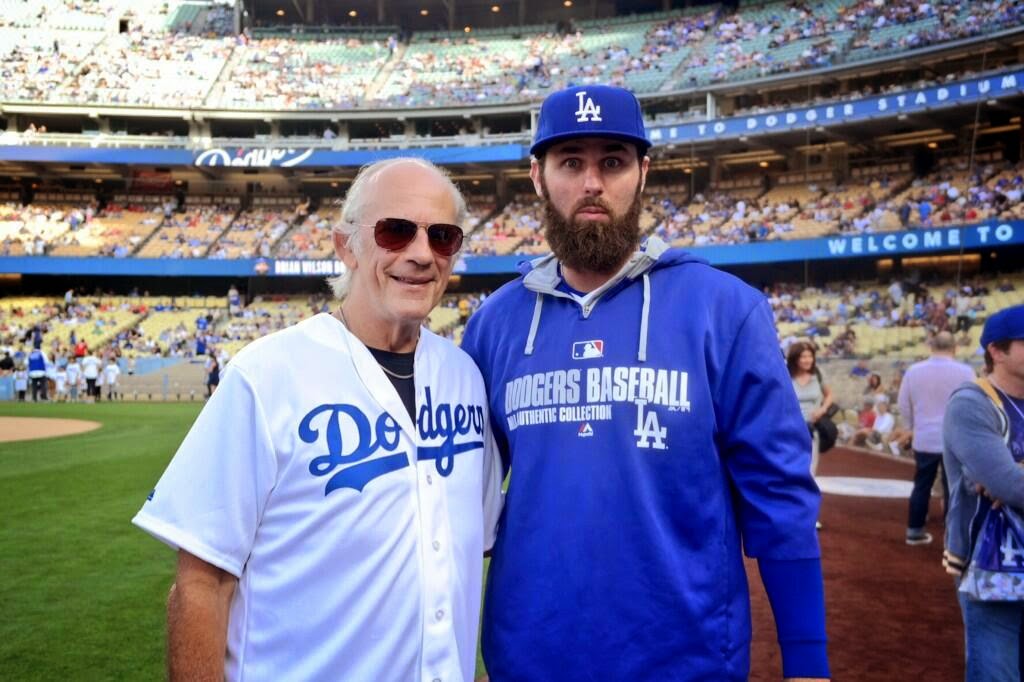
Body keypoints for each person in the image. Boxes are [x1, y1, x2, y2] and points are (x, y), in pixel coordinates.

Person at [461, 85, 828, 681]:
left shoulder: (725, 309)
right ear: (536, 175)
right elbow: (456, 495)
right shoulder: (494, 324)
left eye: (612, 161)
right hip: (528, 655)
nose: (591, 183)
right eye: (570, 162)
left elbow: (780, 495)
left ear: (643, 171)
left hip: (686, 657)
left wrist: (808, 660)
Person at [133, 157, 502, 681]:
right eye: (395, 231)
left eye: (442, 236)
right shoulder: (267, 374)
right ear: (345, 245)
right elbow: (201, 584)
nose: (421, 254)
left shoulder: (466, 377)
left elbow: (472, 553)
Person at [943, 304, 1024, 681]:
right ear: (997, 350)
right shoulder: (972, 402)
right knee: (997, 674)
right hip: (993, 570)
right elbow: (1011, 485)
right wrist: (1010, 477)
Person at [899, 331, 976, 546]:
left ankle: (914, 529)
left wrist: (911, 426)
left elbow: (904, 403)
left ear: (931, 347)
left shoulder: (914, 371)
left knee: (922, 484)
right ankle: (954, 535)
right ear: (955, 348)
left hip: (925, 436)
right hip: (955, 437)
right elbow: (972, 403)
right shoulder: (966, 371)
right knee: (954, 487)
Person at [788, 341, 836, 475]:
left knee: (810, 470)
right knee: (791, 468)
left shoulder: (818, 375)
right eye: (803, 356)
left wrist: (823, 409)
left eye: (810, 356)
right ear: (795, 358)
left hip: (812, 429)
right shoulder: (787, 376)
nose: (807, 360)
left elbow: (830, 394)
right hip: (791, 429)